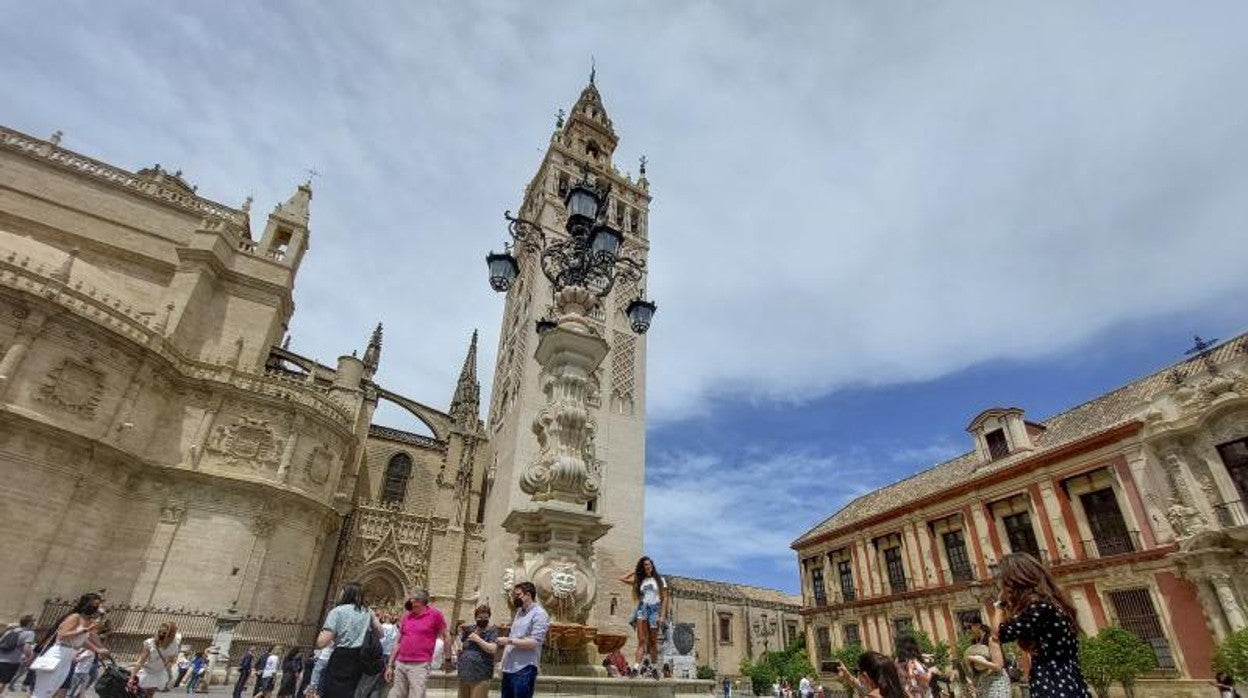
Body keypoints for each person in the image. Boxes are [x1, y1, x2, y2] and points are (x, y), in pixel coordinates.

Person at [993, 552, 1090, 698]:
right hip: (1071, 681)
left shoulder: (1039, 607)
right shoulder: (1055, 604)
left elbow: (999, 634)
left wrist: (1000, 604)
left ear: (1016, 580)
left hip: (1052, 684)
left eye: (1004, 581)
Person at [30, 593, 109, 698]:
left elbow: (82, 640)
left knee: (52, 691)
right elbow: (62, 635)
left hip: (68, 657)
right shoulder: (75, 617)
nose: (97, 608)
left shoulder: (85, 621)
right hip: (58, 654)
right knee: (42, 692)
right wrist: (86, 630)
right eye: (96, 605)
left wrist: (98, 650)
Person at [316, 583, 382, 698]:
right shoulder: (367, 611)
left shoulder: (338, 611)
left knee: (333, 691)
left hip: (341, 657)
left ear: (346, 594)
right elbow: (380, 633)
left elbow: (322, 642)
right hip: (359, 657)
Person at [385, 589, 451, 698]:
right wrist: (390, 665)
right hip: (401, 663)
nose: (410, 602)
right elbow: (398, 641)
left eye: (413, 599)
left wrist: (448, 659)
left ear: (421, 601)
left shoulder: (435, 615)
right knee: (395, 695)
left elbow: (446, 636)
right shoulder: (406, 616)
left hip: (420, 664)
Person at [495, 582, 549, 698]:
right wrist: (501, 663)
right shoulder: (519, 613)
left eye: (518, 595)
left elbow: (534, 642)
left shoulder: (540, 614)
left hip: (525, 668)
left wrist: (509, 641)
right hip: (509, 667)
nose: (515, 598)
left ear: (528, 595)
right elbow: (512, 636)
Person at [619, 557, 667, 669]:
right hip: (642, 610)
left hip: (654, 611)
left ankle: (654, 667)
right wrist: (635, 571)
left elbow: (665, 598)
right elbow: (622, 578)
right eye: (644, 565)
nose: (647, 566)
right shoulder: (641, 580)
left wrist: (662, 615)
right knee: (641, 640)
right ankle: (636, 667)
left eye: (648, 564)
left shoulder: (660, 580)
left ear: (652, 565)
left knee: (652, 641)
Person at [455, 605, 498, 698]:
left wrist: (478, 639)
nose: (483, 620)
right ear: (475, 618)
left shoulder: (492, 630)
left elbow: (493, 649)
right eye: (480, 618)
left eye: (485, 618)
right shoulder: (469, 629)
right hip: (465, 673)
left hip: (480, 674)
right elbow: (462, 645)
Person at [131, 622, 181, 698]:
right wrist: (132, 677)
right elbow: (140, 662)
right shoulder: (150, 643)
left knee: (149, 694)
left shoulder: (173, 646)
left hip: (158, 674)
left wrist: (169, 669)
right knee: (139, 694)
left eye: (164, 633)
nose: (161, 634)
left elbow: (171, 661)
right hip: (146, 672)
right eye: (159, 632)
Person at [963, 622, 1009, 698]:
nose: (968, 631)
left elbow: (998, 667)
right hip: (984, 681)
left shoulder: (991, 639)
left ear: (978, 626)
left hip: (997, 680)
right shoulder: (975, 644)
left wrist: (976, 660)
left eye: (969, 627)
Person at [835, 651, 906, 698]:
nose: (860, 679)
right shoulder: (901, 692)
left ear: (865, 675)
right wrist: (846, 674)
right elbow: (859, 687)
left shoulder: (872, 696)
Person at [0, 615, 37, 692]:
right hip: (11, 661)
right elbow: (27, 647)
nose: (34, 625)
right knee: (3, 682)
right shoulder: (29, 633)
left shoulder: (10, 631)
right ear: (29, 624)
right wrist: (28, 658)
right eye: (33, 623)